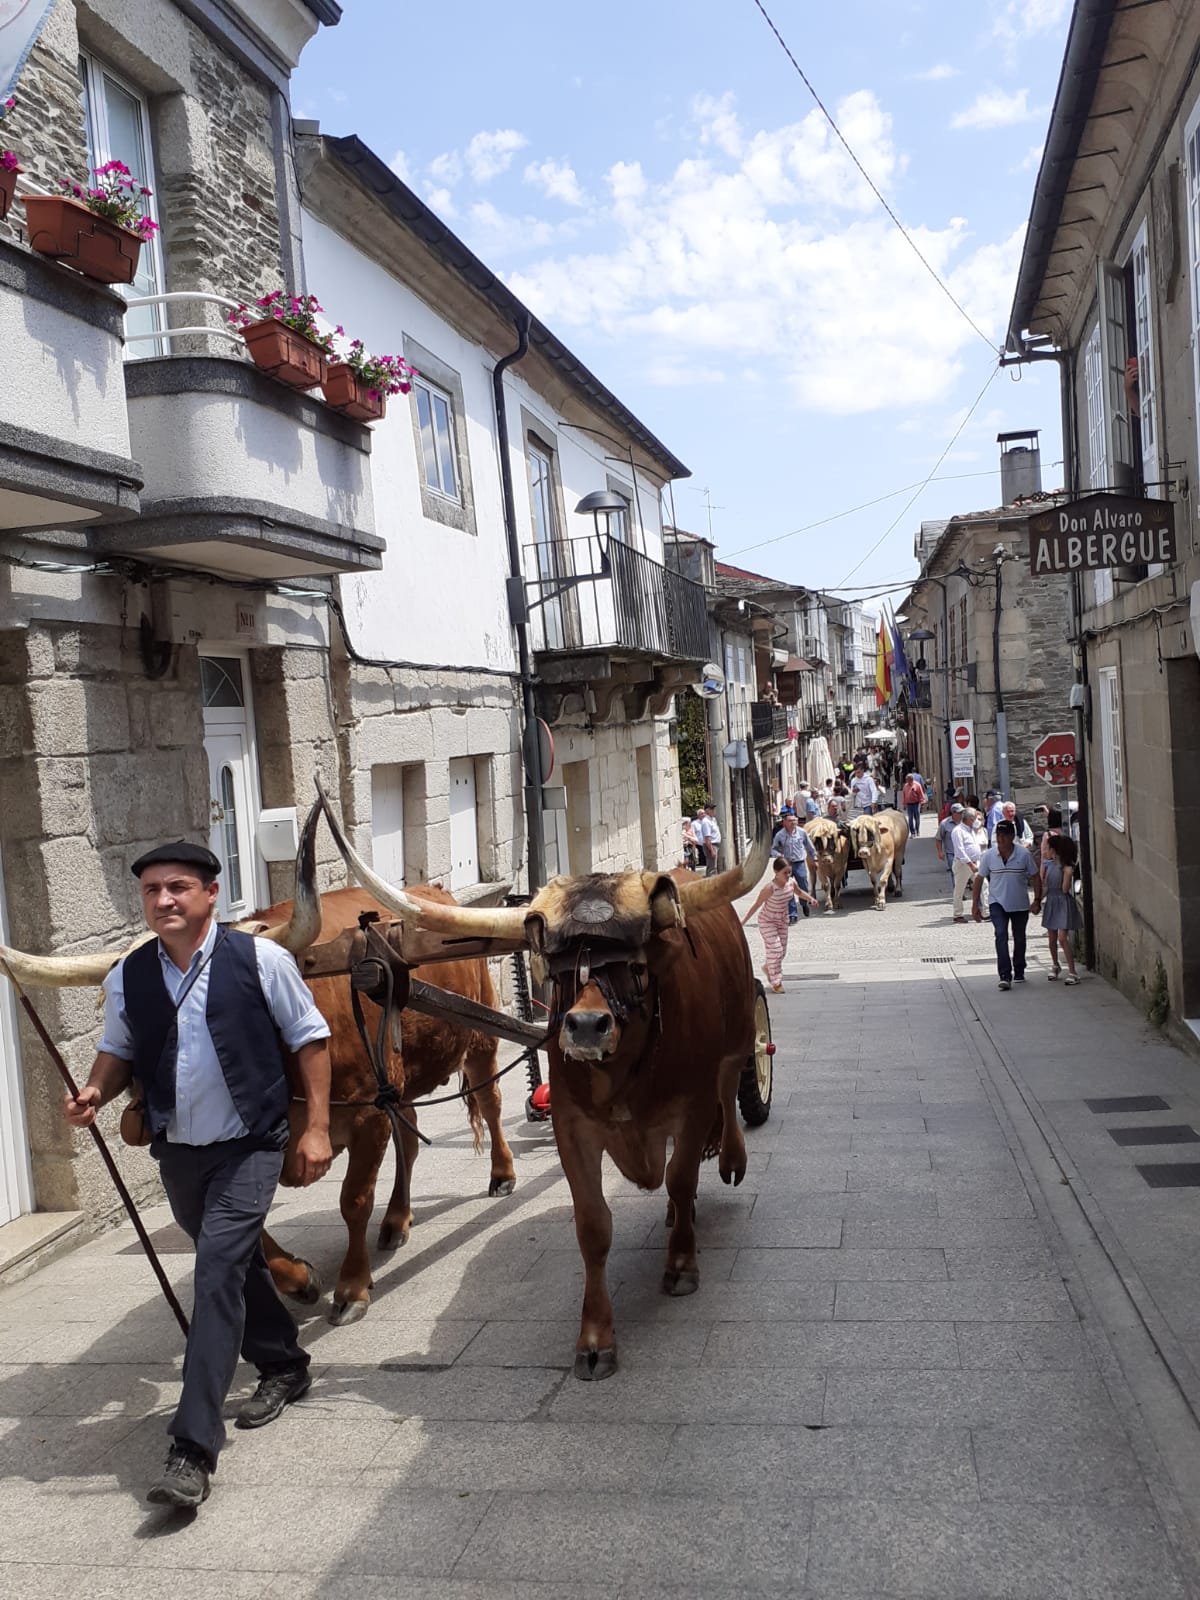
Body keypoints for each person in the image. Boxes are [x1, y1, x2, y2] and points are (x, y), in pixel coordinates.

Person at [65, 841, 333, 1509]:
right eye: (151, 890)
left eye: (178, 887)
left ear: (211, 894)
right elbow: (117, 1050)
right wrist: (95, 1092)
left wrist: (317, 1127)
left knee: (215, 1271)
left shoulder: (261, 960)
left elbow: (310, 1037)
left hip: (251, 1144)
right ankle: (285, 1363)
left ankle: (191, 1450)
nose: (163, 900)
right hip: (178, 1153)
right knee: (235, 1262)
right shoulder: (130, 976)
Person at [973, 818, 1042, 989]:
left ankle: (1019, 969)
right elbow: (979, 878)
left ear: (1012, 836)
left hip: (1019, 904)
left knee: (1019, 937)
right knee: (1001, 934)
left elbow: (1035, 876)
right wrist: (975, 904)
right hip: (997, 903)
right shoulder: (989, 856)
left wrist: (1037, 900)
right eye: (998, 835)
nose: (1000, 838)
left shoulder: (1023, 855)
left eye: (1004, 835)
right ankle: (1004, 974)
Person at [741, 855, 816, 992]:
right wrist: (742, 922)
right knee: (776, 949)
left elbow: (799, 892)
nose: (788, 875)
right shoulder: (770, 888)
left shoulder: (791, 883)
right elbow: (756, 905)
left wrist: (810, 899)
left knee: (782, 951)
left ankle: (768, 967)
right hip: (767, 921)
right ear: (776, 872)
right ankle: (776, 982)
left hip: (782, 920)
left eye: (789, 872)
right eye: (784, 872)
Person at [1042, 833, 1083, 984]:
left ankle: (1072, 971)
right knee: (1051, 938)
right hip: (1051, 901)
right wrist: (1038, 899)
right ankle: (1055, 964)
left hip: (1062, 901)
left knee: (1062, 938)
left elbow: (1065, 889)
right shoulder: (1049, 865)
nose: (1045, 851)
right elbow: (1046, 886)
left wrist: (1067, 874)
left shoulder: (1066, 868)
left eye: (1047, 848)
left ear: (1054, 850)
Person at [772, 808, 817, 918]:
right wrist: (778, 855)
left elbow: (810, 847)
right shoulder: (780, 835)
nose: (793, 823)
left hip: (799, 863)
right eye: (790, 821)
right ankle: (792, 914)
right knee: (787, 888)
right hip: (786, 865)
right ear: (784, 822)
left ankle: (804, 904)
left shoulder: (802, 832)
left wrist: (815, 858)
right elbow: (773, 849)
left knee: (803, 885)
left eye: (794, 820)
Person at [950, 806, 981, 921]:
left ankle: (985, 912)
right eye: (974, 818)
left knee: (984, 886)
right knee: (960, 889)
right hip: (963, 864)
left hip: (975, 863)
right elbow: (960, 850)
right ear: (969, 819)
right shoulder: (958, 831)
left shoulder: (970, 829)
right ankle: (958, 914)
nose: (976, 820)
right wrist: (970, 864)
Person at [935, 801, 964, 890]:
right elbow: (938, 838)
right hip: (951, 853)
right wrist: (940, 852)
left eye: (962, 812)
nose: (961, 814)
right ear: (953, 813)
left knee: (964, 873)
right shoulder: (944, 824)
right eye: (959, 813)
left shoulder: (965, 822)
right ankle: (958, 891)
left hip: (965, 852)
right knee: (954, 872)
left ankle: (961, 889)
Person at [699, 800, 722, 877]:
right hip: (711, 845)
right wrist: (712, 850)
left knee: (714, 866)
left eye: (713, 808)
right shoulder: (706, 821)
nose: (713, 810)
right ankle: (710, 881)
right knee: (711, 868)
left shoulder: (712, 819)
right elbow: (707, 838)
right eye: (711, 809)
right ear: (707, 810)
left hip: (715, 845)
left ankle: (713, 880)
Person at [901, 772, 926, 836]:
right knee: (910, 819)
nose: (907, 781)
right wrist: (904, 804)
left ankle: (917, 830)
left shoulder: (917, 785)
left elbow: (921, 794)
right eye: (906, 780)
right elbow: (904, 795)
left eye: (908, 779)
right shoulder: (905, 786)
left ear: (911, 779)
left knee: (917, 818)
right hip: (909, 805)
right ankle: (912, 832)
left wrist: (922, 803)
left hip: (916, 804)